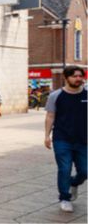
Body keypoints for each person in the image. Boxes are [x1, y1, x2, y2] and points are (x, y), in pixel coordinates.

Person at [44, 65, 86, 213]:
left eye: (80, 76)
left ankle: (73, 183)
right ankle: (64, 198)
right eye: (75, 76)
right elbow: (50, 116)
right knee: (64, 168)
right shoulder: (56, 95)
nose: (78, 79)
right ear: (66, 77)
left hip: (83, 140)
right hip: (62, 139)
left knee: (85, 171)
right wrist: (47, 136)